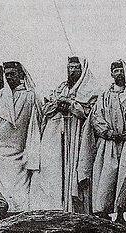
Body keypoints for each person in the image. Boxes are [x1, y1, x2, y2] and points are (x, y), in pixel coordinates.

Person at [29, 56, 99, 212]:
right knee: (54, 169)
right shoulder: (61, 88)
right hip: (58, 133)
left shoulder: (90, 91)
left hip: (77, 134)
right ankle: (56, 206)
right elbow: (47, 109)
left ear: (83, 70)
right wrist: (57, 104)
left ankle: (76, 208)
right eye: (70, 68)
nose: (73, 71)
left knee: (76, 169)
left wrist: (71, 105)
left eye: (76, 68)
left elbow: (90, 113)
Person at [86, 59, 126, 222]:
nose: (118, 74)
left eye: (121, 70)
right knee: (107, 176)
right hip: (109, 144)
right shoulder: (105, 96)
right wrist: (107, 132)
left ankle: (122, 213)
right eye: (115, 71)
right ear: (111, 74)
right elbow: (96, 116)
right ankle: (103, 211)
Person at [0, 61, 41, 212]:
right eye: (7, 75)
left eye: (13, 74)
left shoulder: (30, 96)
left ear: (21, 75)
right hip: (1, 149)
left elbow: (37, 121)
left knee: (20, 185)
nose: (9, 77)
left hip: (21, 148)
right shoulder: (2, 95)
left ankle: (19, 212)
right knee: (2, 185)